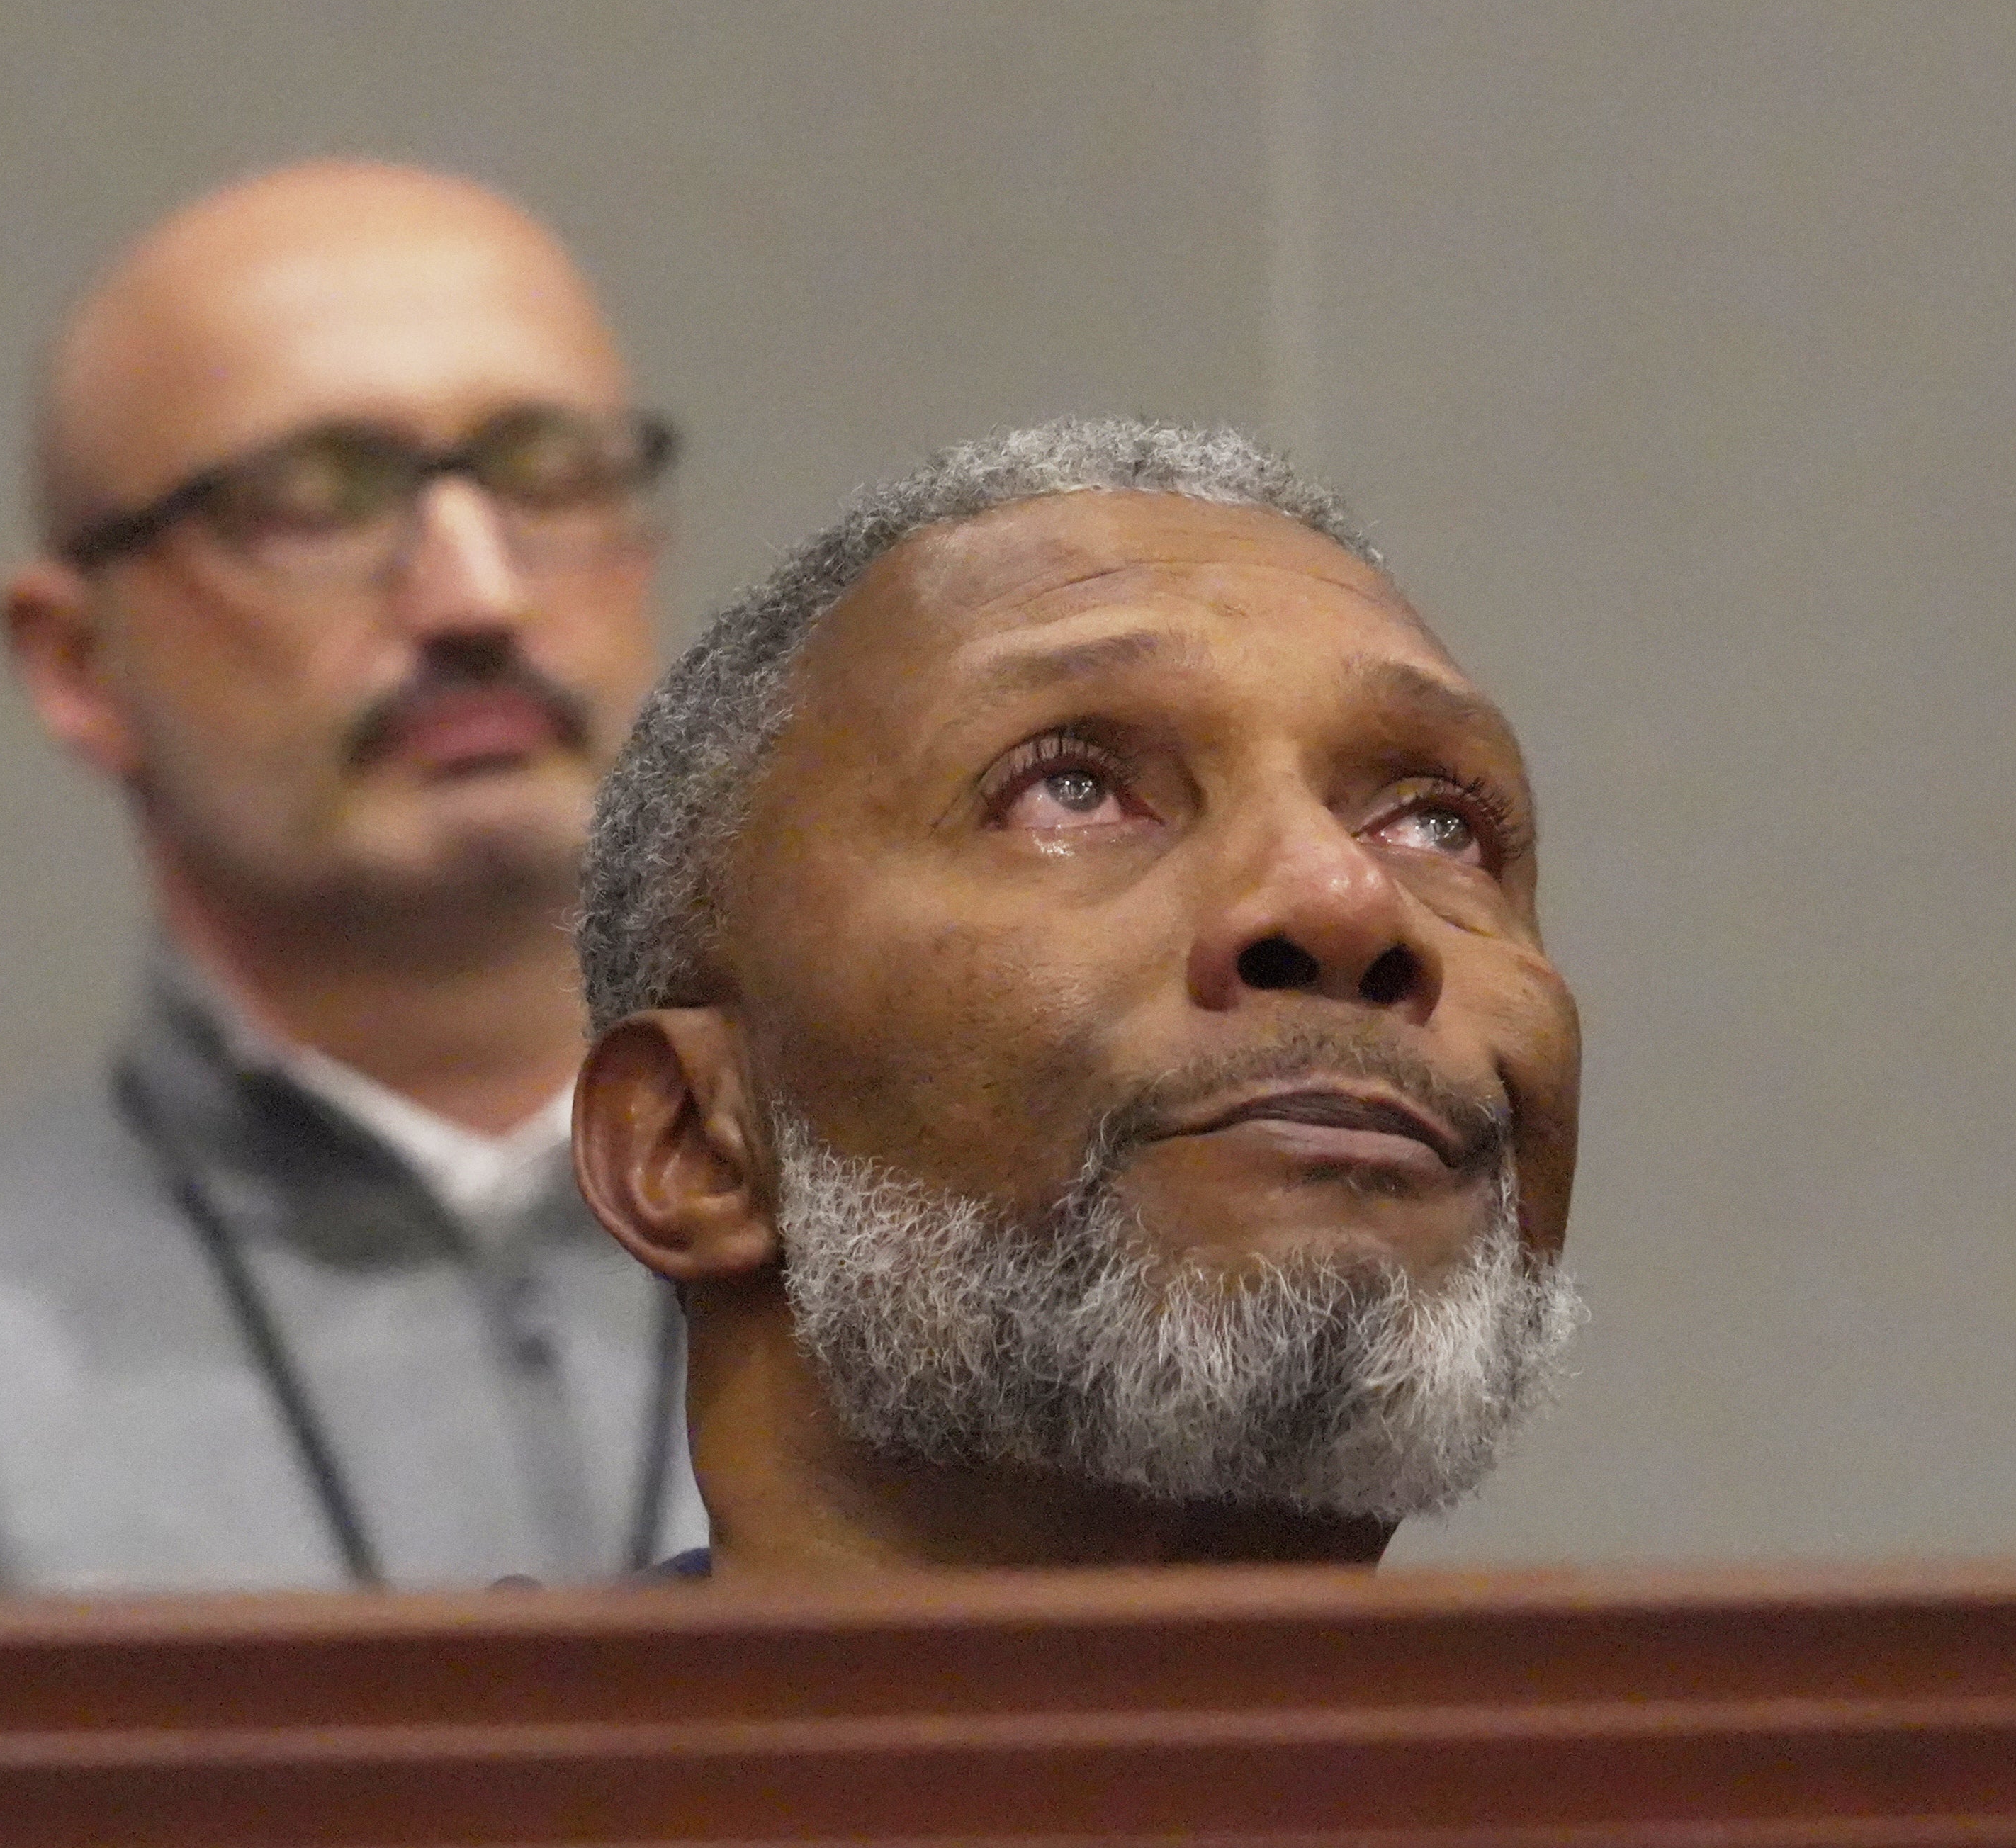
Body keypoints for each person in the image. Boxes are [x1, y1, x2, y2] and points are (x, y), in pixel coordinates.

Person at [0, 162, 701, 1594]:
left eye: (548, 474)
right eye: (314, 501)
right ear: (75, 663)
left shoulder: (951, 1283)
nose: (475, 596)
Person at [570, 419, 1583, 1575]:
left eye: (1436, 825)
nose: (1346, 900)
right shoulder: (390, 1761)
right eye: (1073, 791)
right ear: (694, 1140)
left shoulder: (1764, 1759)